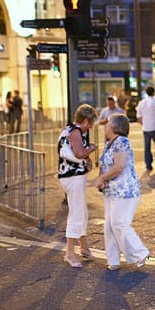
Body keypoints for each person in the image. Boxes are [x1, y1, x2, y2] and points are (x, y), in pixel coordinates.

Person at [96, 113, 150, 271]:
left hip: (124, 190)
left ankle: (140, 253)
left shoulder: (122, 141)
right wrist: (102, 179)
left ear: (114, 126)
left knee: (119, 224)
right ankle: (113, 260)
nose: (105, 126)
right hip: (111, 191)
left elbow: (119, 166)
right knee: (109, 226)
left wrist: (102, 178)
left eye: (108, 123)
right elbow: (105, 165)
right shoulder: (109, 144)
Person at [57, 104, 98, 268]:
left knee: (82, 211)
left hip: (70, 176)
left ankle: (84, 246)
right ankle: (69, 253)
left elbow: (76, 154)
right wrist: (92, 149)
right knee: (77, 214)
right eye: (92, 122)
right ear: (86, 121)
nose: (92, 126)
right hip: (73, 177)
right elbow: (80, 153)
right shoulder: (75, 132)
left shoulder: (69, 130)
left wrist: (86, 160)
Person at [136, 86, 155, 171]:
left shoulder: (141, 102)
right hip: (154, 126)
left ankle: (148, 165)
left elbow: (139, 117)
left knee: (147, 147)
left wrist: (143, 124)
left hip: (145, 128)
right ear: (153, 92)